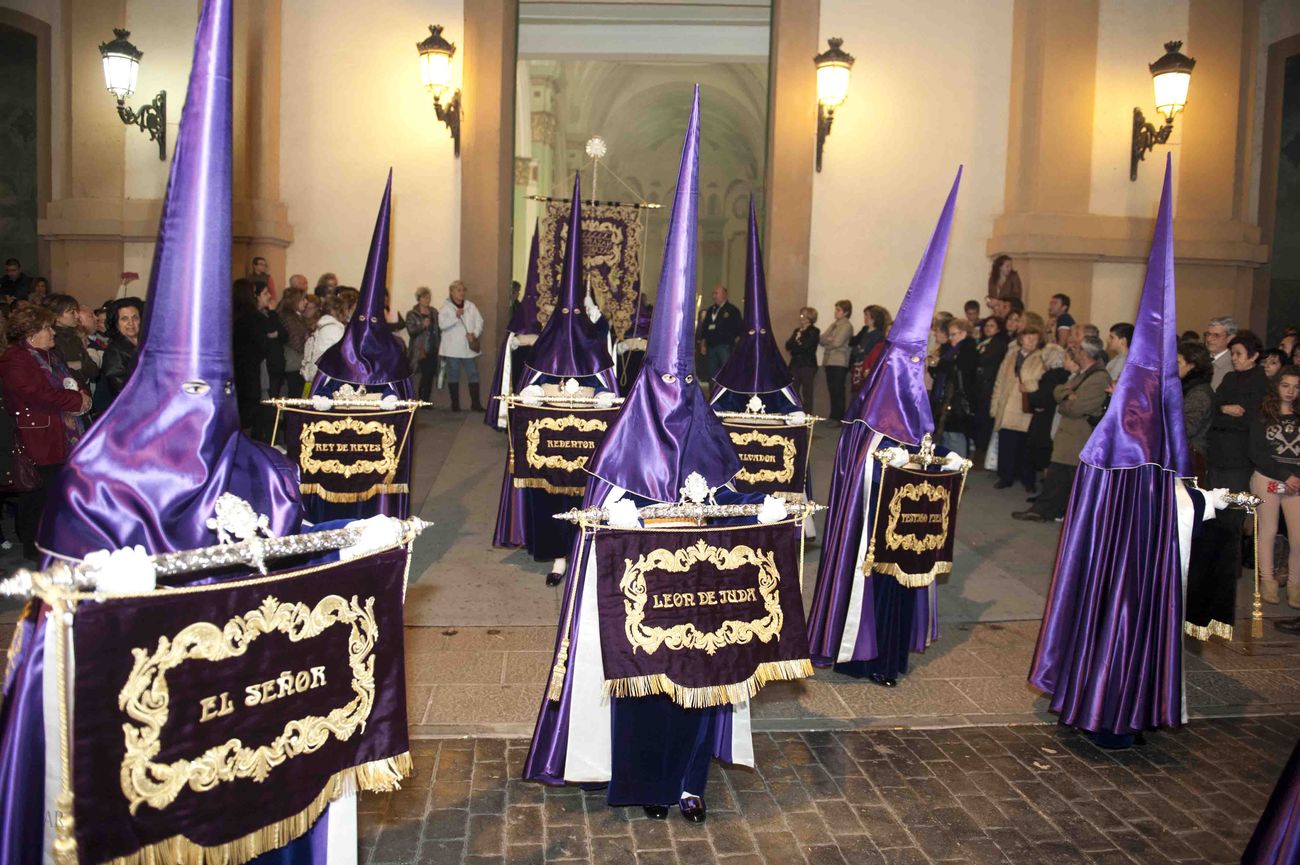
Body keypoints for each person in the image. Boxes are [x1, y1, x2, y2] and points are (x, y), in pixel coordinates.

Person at [525, 88, 761, 824]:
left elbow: (733, 499)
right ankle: (642, 784)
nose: (676, 398)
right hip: (641, 601)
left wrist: (752, 508)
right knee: (645, 688)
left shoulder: (708, 430)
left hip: (698, 595)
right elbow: (600, 517)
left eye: (684, 385)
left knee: (697, 684)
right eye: (665, 386)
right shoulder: (624, 440)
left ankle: (689, 782)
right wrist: (627, 517)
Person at [1030, 157, 1226, 750]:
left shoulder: (1118, 442)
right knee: (1122, 616)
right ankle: (1110, 711)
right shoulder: (1141, 439)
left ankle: (1099, 702)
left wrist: (1200, 501)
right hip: (1131, 565)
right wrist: (1204, 502)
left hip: (1128, 564)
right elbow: (1171, 499)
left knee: (1115, 616)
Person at [807, 168, 965, 690]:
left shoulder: (915, 413)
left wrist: (938, 467)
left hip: (906, 533)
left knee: (901, 581)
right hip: (871, 534)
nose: (920, 371)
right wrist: (889, 467)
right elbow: (858, 475)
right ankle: (861, 652)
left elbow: (926, 463)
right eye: (914, 363)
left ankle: (890, 655)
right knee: (870, 583)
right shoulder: (870, 418)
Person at [514, 174, 619, 584]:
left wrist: (599, 396)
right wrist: (536, 391)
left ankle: (585, 553)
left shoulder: (593, 347)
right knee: (550, 496)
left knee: (585, 497)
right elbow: (529, 384)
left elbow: (609, 391)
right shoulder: (546, 345)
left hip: (586, 446)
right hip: (550, 444)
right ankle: (558, 556)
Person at [308, 173, 415, 521]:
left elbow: (403, 403)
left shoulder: (393, 353)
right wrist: (326, 401)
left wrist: (388, 401)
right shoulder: (337, 353)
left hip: (376, 446)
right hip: (338, 445)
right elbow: (320, 393)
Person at [0, 304, 91, 559]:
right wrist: (77, 400)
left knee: (54, 492)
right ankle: (34, 549)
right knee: (37, 495)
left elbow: (74, 379)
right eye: (47, 328)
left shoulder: (50, 356)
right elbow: (38, 394)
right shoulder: (15, 359)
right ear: (31, 334)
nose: (53, 332)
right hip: (37, 438)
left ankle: (52, 542)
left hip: (60, 434)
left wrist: (82, 394)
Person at [710, 197, 800, 413]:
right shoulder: (735, 373)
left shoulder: (775, 372)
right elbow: (718, 404)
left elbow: (791, 405)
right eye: (751, 333)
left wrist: (795, 412)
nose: (757, 338)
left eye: (761, 332)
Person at [1012, 338, 1109, 522]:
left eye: (1077, 349)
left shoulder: (1099, 377)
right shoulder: (1083, 374)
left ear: (1084, 353)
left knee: (1064, 477)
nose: (1073, 353)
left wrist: (1063, 401)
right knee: (1058, 476)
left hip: (1078, 435)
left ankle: (1051, 512)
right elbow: (1058, 390)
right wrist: (1066, 396)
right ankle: (1045, 511)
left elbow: (1076, 408)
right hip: (1068, 434)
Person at [1249, 367, 1300, 607]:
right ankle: (1267, 581)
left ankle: (1294, 585)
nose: (1290, 391)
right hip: (1268, 479)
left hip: (1296, 483)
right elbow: (1256, 451)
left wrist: (1295, 477)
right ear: (1276, 386)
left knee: (1298, 536)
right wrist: (1284, 475)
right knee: (1268, 531)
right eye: (1285, 385)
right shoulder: (1263, 414)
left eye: (1296, 387)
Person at [1207, 329, 1267, 493]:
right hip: (1217, 451)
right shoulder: (1230, 377)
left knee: (1235, 499)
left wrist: (1221, 412)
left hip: (1241, 454)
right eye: (1232, 354)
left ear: (1253, 356)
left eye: (1238, 354)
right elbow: (1212, 407)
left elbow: (1247, 418)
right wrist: (1224, 408)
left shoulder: (1261, 381)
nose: (1233, 358)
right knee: (1213, 499)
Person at [989, 322, 1046, 493]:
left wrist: (1028, 385)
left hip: (1024, 407)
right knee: (1006, 443)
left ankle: (1028, 479)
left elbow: (1040, 382)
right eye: (1028, 338)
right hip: (1007, 405)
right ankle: (1005, 476)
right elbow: (999, 382)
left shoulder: (1041, 359)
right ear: (1021, 339)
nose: (1031, 342)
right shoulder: (1010, 357)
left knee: (1025, 446)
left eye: (1035, 339)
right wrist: (995, 405)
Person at [930, 317, 978, 456]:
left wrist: (940, 363)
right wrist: (934, 366)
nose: (950, 338)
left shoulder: (968, 349)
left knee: (956, 437)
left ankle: (958, 466)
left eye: (953, 334)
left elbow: (959, 369)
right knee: (946, 436)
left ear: (964, 333)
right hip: (947, 398)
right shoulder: (951, 350)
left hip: (958, 400)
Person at [438, 279, 484, 412]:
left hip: (468, 347)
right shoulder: (446, 308)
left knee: (473, 373)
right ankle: (455, 404)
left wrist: (474, 334)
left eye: (463, 290)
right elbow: (442, 325)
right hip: (452, 348)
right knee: (453, 374)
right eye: (459, 290)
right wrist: (455, 317)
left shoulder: (470, 306)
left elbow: (479, 321)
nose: (462, 293)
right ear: (452, 292)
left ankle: (475, 404)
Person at [231, 278, 265, 434]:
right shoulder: (253, 317)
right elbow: (261, 344)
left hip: (233, 365)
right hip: (250, 367)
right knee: (249, 408)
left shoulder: (230, 315)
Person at [1177, 340, 1215, 475]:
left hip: (1190, 458)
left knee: (1185, 489)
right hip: (1182, 455)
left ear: (1191, 366)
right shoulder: (1185, 388)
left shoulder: (1199, 393)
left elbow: (1188, 428)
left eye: (1178, 363)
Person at [971, 315, 1008, 456]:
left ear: (998, 328)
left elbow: (985, 360)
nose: (988, 328)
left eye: (992, 326)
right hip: (979, 385)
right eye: (986, 325)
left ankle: (981, 449)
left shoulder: (998, 344)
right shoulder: (982, 342)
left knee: (984, 419)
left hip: (988, 386)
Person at [96, 297, 143, 407]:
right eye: (124, 319)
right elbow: (120, 388)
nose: (131, 323)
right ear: (116, 323)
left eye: (135, 317)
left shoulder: (147, 343)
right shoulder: (114, 351)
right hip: (130, 406)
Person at [49, 293, 99, 391]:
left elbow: (94, 371)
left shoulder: (75, 336)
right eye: (72, 312)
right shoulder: (51, 339)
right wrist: (79, 365)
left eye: (76, 311)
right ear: (57, 317)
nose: (77, 316)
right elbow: (56, 372)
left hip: (83, 391)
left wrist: (79, 364)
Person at [697, 282, 741, 388]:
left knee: (726, 371)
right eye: (713, 294)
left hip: (724, 346)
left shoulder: (732, 310)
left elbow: (739, 328)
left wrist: (735, 343)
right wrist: (703, 343)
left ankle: (727, 393)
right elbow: (705, 328)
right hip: (711, 346)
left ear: (724, 294)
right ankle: (713, 393)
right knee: (712, 373)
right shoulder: (710, 310)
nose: (714, 296)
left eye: (716, 293)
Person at [301, 289, 351, 382]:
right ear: (338, 311)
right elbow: (343, 354)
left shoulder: (320, 325)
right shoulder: (334, 329)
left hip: (314, 374)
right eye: (346, 310)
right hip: (326, 377)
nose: (347, 314)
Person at [406, 286, 440, 404]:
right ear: (419, 299)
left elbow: (438, 329)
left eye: (428, 297)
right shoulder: (412, 314)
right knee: (423, 375)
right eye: (424, 297)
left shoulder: (434, 312)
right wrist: (422, 325)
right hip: (420, 349)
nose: (427, 300)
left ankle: (426, 400)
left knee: (430, 375)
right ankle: (421, 400)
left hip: (433, 348)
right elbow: (411, 331)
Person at [820, 299, 853, 420]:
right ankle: (833, 416)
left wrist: (829, 342)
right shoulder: (834, 325)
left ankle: (838, 418)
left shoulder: (846, 326)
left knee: (838, 391)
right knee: (832, 391)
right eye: (836, 309)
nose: (835, 312)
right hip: (829, 361)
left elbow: (837, 343)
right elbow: (821, 339)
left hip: (839, 362)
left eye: (838, 310)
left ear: (846, 312)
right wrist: (829, 340)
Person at [277, 287, 310, 397]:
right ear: (294, 301)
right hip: (293, 363)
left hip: (296, 363)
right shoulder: (288, 318)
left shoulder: (296, 316)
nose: (306, 302)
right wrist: (308, 341)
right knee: (294, 396)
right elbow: (296, 342)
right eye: (303, 299)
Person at [849, 304, 890, 392]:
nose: (865, 318)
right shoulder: (865, 330)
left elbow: (869, 351)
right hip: (857, 366)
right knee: (855, 392)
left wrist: (860, 350)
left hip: (866, 367)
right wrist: (859, 350)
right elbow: (854, 345)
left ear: (874, 318)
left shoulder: (878, 334)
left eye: (867, 315)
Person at [785, 307, 819, 412]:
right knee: (793, 389)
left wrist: (797, 342)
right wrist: (797, 341)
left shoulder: (814, 331)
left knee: (807, 391)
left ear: (810, 317)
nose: (801, 317)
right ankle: (797, 410)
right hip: (795, 364)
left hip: (807, 365)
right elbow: (788, 345)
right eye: (801, 315)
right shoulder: (797, 331)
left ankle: (807, 412)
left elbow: (806, 347)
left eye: (804, 315)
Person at [1205, 315, 1237, 390]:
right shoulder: (1201, 358)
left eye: (1216, 335)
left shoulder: (1233, 365)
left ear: (1230, 338)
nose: (1209, 339)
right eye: (1208, 334)